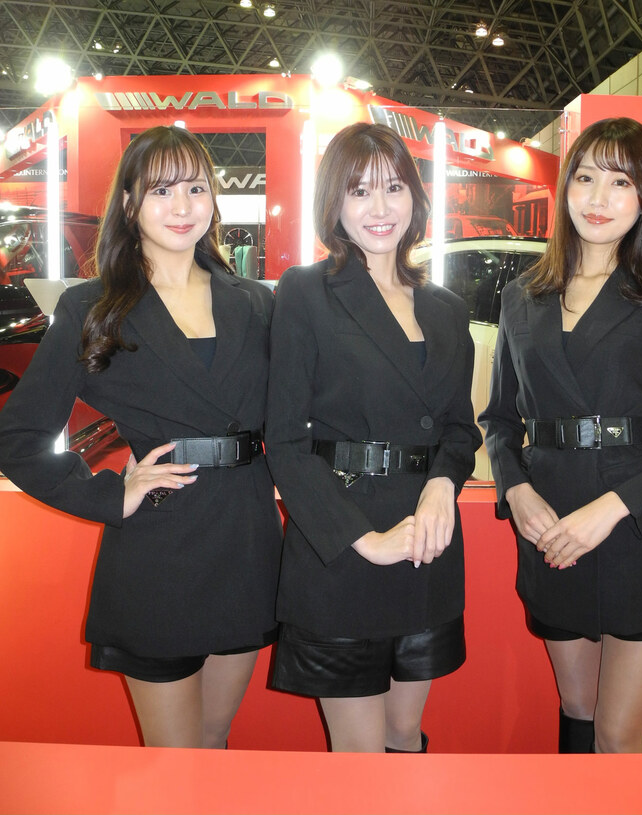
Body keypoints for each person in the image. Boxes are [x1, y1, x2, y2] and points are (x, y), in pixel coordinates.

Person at [0, 126, 282, 748]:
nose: (182, 206)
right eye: (160, 191)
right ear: (129, 203)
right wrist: (108, 494)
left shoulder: (255, 303)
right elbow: (18, 436)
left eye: (196, 188)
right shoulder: (93, 307)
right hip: (160, 546)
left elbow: (292, 416)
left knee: (215, 742)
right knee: (175, 762)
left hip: (247, 540)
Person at [481, 117, 642, 754]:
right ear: (565, 188)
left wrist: (612, 508)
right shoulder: (522, 296)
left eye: (621, 182)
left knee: (619, 737)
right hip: (552, 528)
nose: (598, 198)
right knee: (577, 709)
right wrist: (516, 492)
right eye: (586, 178)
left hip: (640, 530)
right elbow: (500, 420)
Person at [265, 122, 481, 753]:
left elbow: (459, 429)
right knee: (358, 754)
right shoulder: (306, 291)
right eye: (358, 191)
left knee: (404, 732)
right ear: (334, 203)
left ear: (415, 195)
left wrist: (442, 485)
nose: (379, 207)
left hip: (425, 546)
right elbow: (286, 441)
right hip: (341, 548)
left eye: (393, 187)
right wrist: (365, 540)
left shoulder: (446, 308)